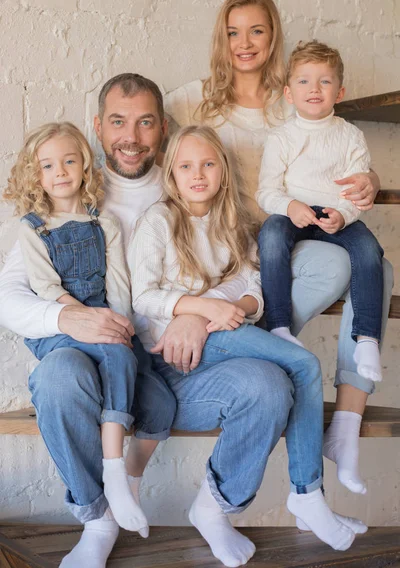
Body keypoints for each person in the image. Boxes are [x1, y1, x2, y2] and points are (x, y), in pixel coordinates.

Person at [0, 73, 297, 568]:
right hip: (105, 365)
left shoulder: (190, 174)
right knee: (56, 377)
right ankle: (98, 518)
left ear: (162, 128)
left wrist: (194, 315)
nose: (131, 138)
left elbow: (242, 265)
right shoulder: (72, 186)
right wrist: (67, 317)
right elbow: (9, 294)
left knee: (269, 385)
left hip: (184, 365)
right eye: (118, 122)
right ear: (98, 127)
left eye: (144, 123)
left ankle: (215, 508)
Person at [163, 0, 394, 497]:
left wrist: (370, 179)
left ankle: (348, 422)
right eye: (232, 32)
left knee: (371, 264)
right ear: (220, 40)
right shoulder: (192, 98)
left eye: (257, 30)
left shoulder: (292, 94)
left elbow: (336, 149)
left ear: (274, 36)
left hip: (294, 234)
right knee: (335, 271)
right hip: (236, 246)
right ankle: (263, 340)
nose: (244, 43)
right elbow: (149, 142)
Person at [129, 123, 367, 552]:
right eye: (185, 165)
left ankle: (213, 505)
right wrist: (203, 309)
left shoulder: (235, 224)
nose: (197, 174)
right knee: (305, 363)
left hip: (222, 339)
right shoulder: (159, 221)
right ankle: (308, 493)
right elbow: (143, 296)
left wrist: (232, 309)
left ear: (223, 169)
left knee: (275, 386)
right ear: (171, 173)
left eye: (207, 164)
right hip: (175, 360)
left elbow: (255, 287)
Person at [2, 121, 177, 535]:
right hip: (61, 324)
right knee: (105, 356)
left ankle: (126, 483)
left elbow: (118, 284)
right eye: (47, 165)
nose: (60, 171)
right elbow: (44, 286)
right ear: (35, 175)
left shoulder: (105, 223)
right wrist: (80, 317)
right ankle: (108, 479)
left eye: (69, 161)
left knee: (160, 401)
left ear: (85, 167)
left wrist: (118, 323)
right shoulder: (32, 228)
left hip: (104, 314)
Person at [257, 40, 384, 386]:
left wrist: (342, 215)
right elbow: (266, 191)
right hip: (292, 215)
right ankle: (279, 325)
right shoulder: (281, 137)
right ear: (288, 92)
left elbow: (356, 192)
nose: (314, 89)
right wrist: (290, 207)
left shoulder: (350, 136)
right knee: (269, 235)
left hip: (334, 213)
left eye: (324, 82)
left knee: (370, 251)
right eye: (303, 81)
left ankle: (367, 339)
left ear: (339, 91)